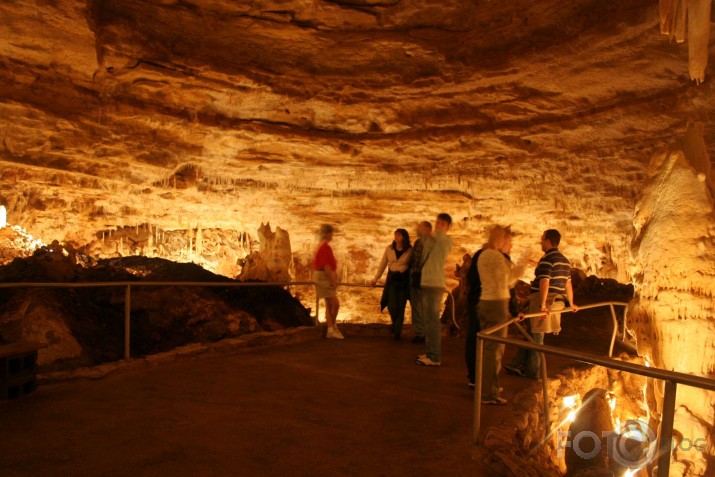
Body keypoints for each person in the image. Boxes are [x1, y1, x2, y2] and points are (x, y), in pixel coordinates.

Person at [505, 229, 578, 378]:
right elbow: (568, 283)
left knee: (537, 336)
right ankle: (517, 364)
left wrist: (542, 304)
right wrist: (571, 302)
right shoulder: (565, 261)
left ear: (548, 241)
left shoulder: (547, 259)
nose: (540, 242)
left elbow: (545, 282)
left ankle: (532, 372)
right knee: (530, 331)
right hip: (557, 301)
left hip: (543, 300)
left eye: (542, 239)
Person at [477, 225, 523, 405]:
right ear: (502, 239)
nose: (510, 245)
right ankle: (488, 393)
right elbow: (509, 280)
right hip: (496, 304)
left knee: (489, 349)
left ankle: (489, 387)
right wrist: (523, 263)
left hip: (486, 301)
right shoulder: (495, 255)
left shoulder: (483, 254)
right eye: (509, 241)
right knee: (494, 351)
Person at [415, 213, 452, 367]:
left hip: (435, 284)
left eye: (443, 224)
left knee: (433, 321)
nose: (438, 226)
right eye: (438, 223)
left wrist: (432, 233)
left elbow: (440, 240)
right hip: (426, 282)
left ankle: (435, 356)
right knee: (428, 320)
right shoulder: (432, 240)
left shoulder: (445, 240)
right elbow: (423, 239)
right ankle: (430, 352)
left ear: (448, 227)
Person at [371, 229, 413, 340]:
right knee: (392, 305)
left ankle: (397, 332)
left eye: (398, 235)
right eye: (395, 235)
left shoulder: (409, 250)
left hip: (404, 280)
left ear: (404, 237)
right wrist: (376, 278)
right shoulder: (389, 249)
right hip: (393, 279)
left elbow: (412, 265)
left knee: (401, 306)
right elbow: (383, 264)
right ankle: (395, 325)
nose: (396, 237)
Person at [313, 224, 343, 340]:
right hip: (323, 277)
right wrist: (333, 281)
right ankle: (332, 327)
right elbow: (326, 267)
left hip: (322, 276)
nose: (332, 235)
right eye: (331, 233)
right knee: (335, 304)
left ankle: (331, 328)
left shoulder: (323, 246)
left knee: (329, 304)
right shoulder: (325, 247)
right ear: (327, 234)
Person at [464, 244, 487, 388]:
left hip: (474, 301)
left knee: (473, 338)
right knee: (482, 340)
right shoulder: (490, 256)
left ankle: (474, 376)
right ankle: (479, 379)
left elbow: (470, 278)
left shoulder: (478, 254)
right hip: (483, 302)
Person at [408, 221, 432, 344]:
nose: (417, 230)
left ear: (427, 229)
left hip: (424, 276)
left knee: (422, 305)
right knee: (416, 305)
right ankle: (420, 332)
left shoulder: (432, 243)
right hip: (416, 275)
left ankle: (424, 332)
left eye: (420, 228)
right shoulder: (418, 242)